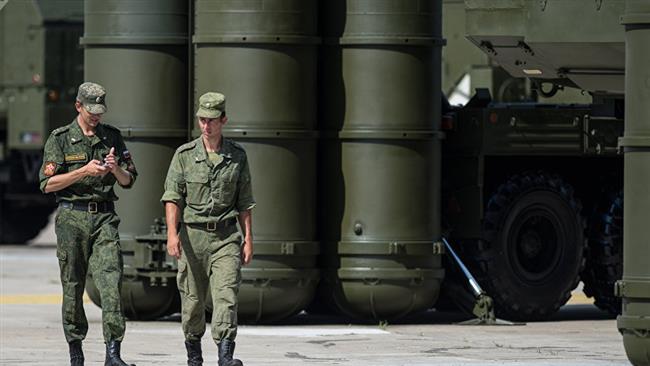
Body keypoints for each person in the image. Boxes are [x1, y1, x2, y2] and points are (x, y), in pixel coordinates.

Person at [39, 82, 138, 366]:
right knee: (72, 286)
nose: (96, 116)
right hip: (72, 218)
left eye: (100, 111)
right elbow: (47, 184)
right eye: (91, 110)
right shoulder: (59, 139)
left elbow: (129, 180)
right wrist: (83, 171)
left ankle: (113, 354)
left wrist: (114, 167)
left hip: (105, 217)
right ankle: (76, 352)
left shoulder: (112, 138)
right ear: (78, 106)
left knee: (111, 282)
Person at [162, 92, 255, 366]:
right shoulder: (184, 156)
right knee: (192, 303)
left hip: (226, 237)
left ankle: (225, 356)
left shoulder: (237, 156)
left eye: (212, 120)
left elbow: (245, 202)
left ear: (223, 120)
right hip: (192, 237)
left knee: (226, 296)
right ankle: (194, 356)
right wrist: (171, 234)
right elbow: (172, 197)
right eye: (202, 120)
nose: (207, 126)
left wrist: (248, 238)